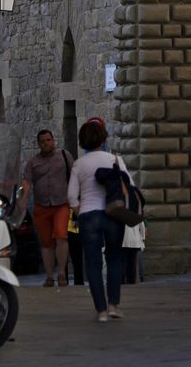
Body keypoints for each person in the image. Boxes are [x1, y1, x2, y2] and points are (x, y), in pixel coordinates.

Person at [67, 117, 130, 322]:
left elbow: (71, 196)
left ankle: (101, 310)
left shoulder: (79, 164)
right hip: (113, 214)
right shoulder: (115, 160)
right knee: (114, 260)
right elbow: (129, 186)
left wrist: (80, 212)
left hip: (88, 215)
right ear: (103, 138)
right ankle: (114, 305)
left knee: (92, 264)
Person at [21, 129, 74, 287]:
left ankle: (62, 272)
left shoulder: (65, 157)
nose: (46, 143)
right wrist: (23, 200)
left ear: (53, 140)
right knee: (46, 242)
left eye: (49, 140)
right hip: (42, 205)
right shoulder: (33, 162)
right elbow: (27, 182)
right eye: (43, 141)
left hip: (62, 203)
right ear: (39, 144)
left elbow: (75, 175)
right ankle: (49, 276)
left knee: (61, 236)